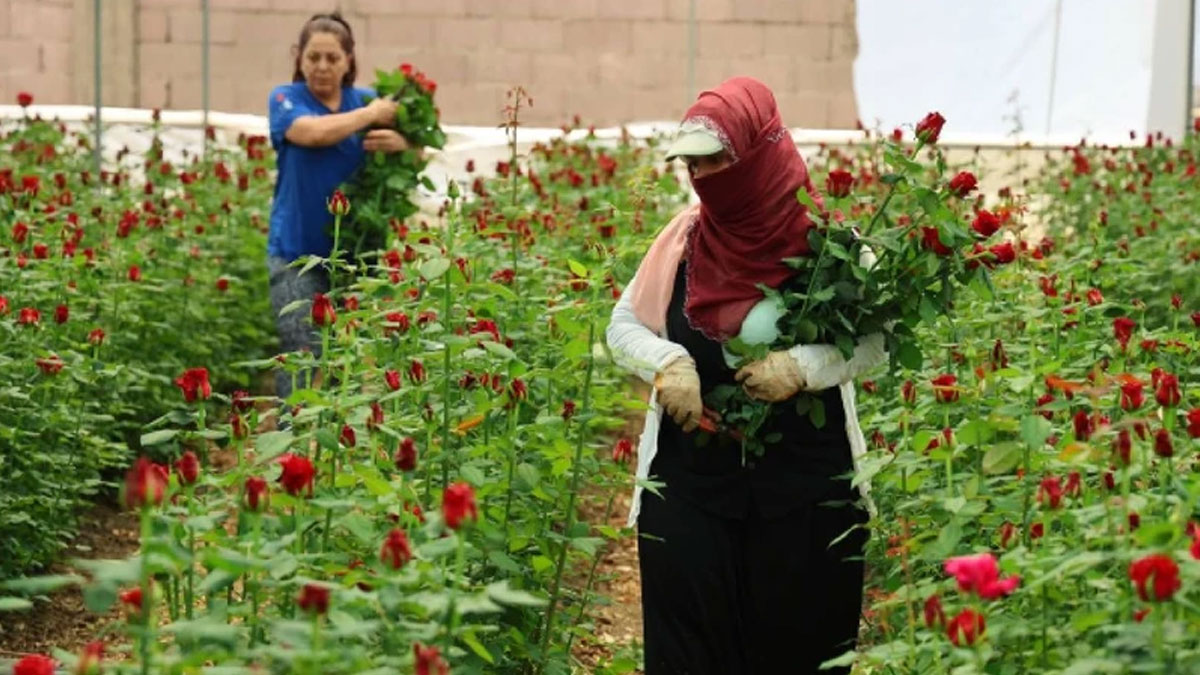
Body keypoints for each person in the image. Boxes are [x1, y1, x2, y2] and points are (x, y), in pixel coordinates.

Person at [606, 77, 886, 674]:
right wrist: (669, 362)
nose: (703, 177)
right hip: (691, 485)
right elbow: (622, 326)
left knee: (799, 646)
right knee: (690, 651)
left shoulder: (831, 246)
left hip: (806, 490)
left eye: (717, 161)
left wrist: (802, 368)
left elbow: (875, 341)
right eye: (693, 164)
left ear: (759, 152)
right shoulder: (684, 241)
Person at [266, 12, 408, 405]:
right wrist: (371, 115)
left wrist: (404, 145)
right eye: (313, 57)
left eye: (332, 58)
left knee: (340, 361)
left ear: (349, 59)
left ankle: (330, 455)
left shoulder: (364, 102)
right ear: (298, 57)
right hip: (295, 253)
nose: (322, 67)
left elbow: (416, 153)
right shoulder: (286, 99)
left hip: (352, 259)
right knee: (300, 352)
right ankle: (291, 451)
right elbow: (311, 133)